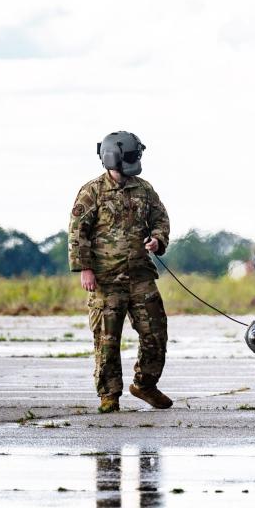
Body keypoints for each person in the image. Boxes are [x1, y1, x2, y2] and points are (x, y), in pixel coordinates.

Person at [69, 131, 172, 414]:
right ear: (113, 157)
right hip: (106, 279)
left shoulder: (144, 189)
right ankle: (109, 395)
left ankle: (145, 384)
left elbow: (160, 219)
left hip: (140, 276)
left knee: (156, 334)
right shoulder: (92, 191)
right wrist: (85, 269)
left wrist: (157, 239)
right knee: (107, 341)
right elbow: (78, 232)